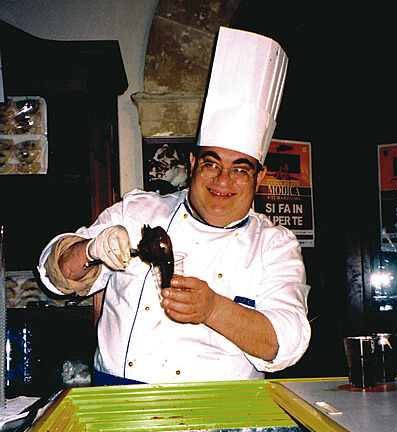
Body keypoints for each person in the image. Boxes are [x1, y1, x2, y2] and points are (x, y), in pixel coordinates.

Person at [38, 27, 311, 385]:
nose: (222, 181)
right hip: (120, 404)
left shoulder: (275, 245)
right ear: (194, 163)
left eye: (240, 170)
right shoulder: (138, 213)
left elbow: (287, 344)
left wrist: (213, 309)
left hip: (220, 414)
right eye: (212, 164)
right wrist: (92, 248)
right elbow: (55, 276)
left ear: (258, 178)